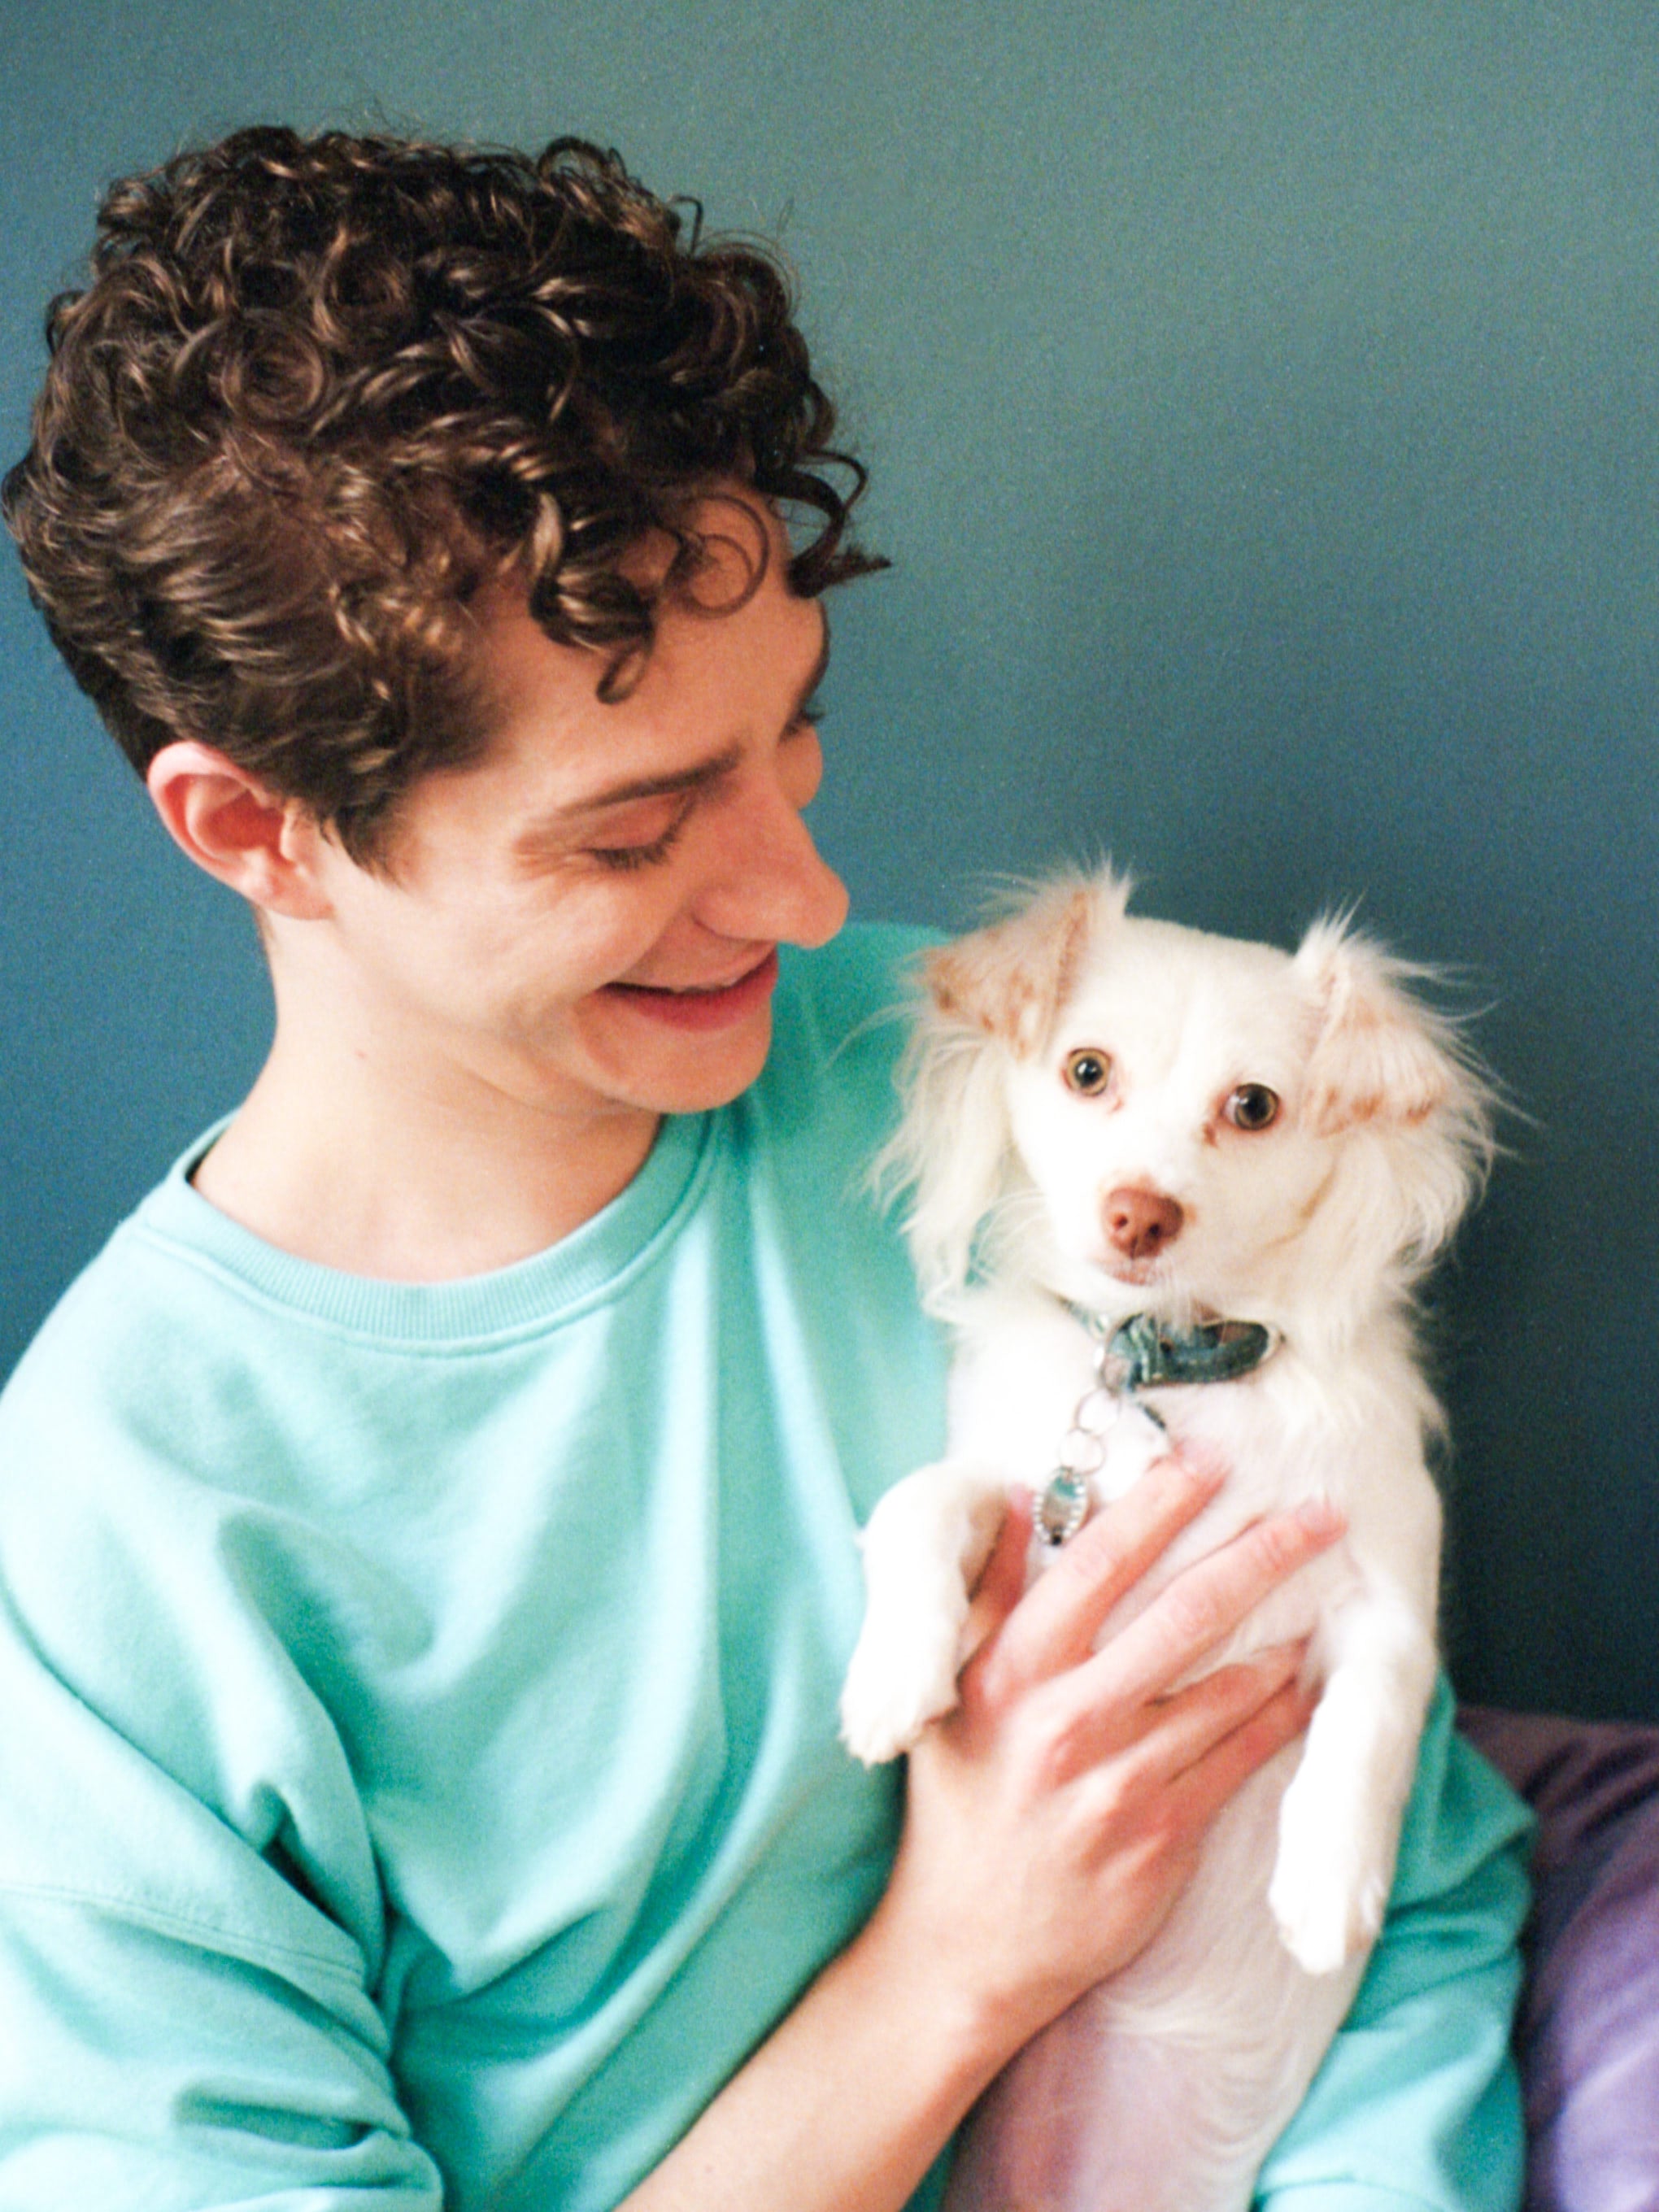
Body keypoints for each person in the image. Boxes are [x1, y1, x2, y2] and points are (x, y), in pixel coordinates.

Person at [0, 126, 1531, 2211]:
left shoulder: (1010, 1094)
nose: (810, 898)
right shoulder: (109, 1553)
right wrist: (953, 1971)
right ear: (260, 832)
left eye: (794, 727)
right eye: (634, 833)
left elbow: (1390, 1894)